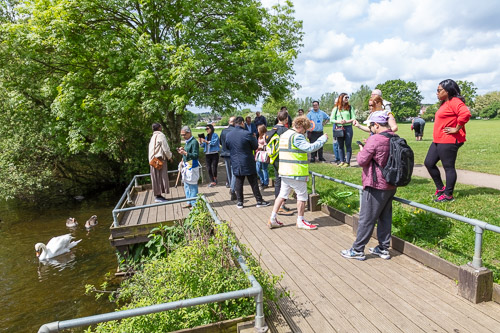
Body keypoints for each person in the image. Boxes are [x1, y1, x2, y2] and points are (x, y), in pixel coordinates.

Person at [341, 113, 397, 260]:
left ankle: (358, 249)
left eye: (371, 125)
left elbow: (361, 160)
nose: (370, 128)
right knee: (385, 217)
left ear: (376, 125)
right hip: (391, 183)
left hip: (375, 184)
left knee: (366, 218)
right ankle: (383, 248)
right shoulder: (394, 137)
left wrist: (362, 149)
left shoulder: (375, 139)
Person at [267, 116, 328, 230]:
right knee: (302, 197)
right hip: (296, 172)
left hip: (285, 171)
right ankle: (300, 220)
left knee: (282, 195)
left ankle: (272, 218)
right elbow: (310, 148)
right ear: (301, 127)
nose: (305, 132)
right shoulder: (297, 136)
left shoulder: (285, 134)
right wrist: (322, 139)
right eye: (305, 129)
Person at [424, 79, 471, 202]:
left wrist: (457, 128)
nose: (437, 93)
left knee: (448, 167)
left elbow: (465, 114)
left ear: (448, 90)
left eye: (439, 90)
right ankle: (441, 189)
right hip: (439, 139)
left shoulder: (455, 101)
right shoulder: (445, 102)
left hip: (449, 140)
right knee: (429, 163)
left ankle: (448, 195)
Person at [225, 117, 270, 209]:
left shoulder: (229, 135)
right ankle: (259, 200)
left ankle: (240, 202)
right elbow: (255, 146)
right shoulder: (247, 133)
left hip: (235, 161)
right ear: (242, 123)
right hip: (247, 160)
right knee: (253, 182)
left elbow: (227, 146)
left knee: (239, 181)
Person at [268, 109, 294, 215]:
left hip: (274, 158)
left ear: (278, 118)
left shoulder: (273, 129)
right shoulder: (286, 130)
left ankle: (278, 205)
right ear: (286, 119)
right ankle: (281, 205)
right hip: (284, 159)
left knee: (278, 181)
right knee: (284, 182)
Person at [149, 123, 173, 203]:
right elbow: (165, 148)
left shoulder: (153, 137)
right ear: (159, 128)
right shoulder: (161, 135)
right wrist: (170, 157)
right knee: (161, 177)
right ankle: (158, 197)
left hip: (153, 160)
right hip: (159, 160)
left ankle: (158, 195)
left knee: (155, 178)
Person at [330, 93, 356, 167]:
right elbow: (331, 119)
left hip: (348, 128)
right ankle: (342, 161)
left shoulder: (350, 108)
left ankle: (347, 162)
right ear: (341, 98)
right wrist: (339, 122)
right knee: (340, 145)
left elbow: (353, 118)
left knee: (348, 145)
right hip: (339, 128)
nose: (347, 99)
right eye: (346, 97)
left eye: (348, 97)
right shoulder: (336, 108)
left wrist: (346, 121)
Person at [178, 126, 200, 208]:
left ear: (189, 133)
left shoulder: (194, 142)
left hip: (192, 166)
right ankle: (189, 201)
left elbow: (195, 155)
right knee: (186, 184)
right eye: (182, 135)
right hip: (186, 165)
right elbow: (188, 151)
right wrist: (183, 151)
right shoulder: (188, 141)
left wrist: (185, 153)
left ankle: (194, 204)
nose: (183, 136)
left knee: (193, 185)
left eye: (184, 135)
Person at [219, 116, 236, 197]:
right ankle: (232, 189)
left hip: (225, 153)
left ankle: (230, 185)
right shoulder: (236, 131)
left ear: (229, 122)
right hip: (234, 153)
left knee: (228, 171)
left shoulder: (223, 131)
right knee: (234, 172)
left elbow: (221, 142)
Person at [256, 124, 270, 189]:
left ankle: (265, 182)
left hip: (264, 155)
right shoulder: (259, 136)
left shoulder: (265, 136)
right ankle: (262, 180)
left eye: (258, 129)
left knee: (264, 169)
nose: (257, 131)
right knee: (258, 168)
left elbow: (268, 146)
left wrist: (261, 146)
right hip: (259, 154)